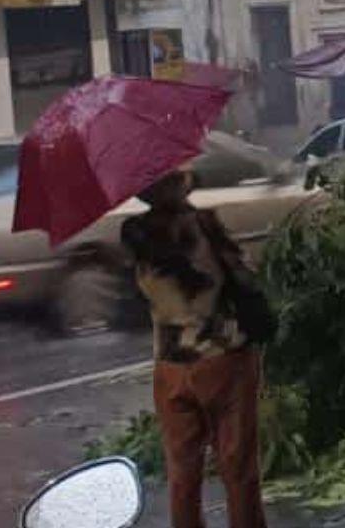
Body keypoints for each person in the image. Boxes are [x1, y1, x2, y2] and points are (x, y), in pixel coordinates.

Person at [122, 170, 274, 528]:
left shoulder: (136, 235)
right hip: (222, 358)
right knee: (238, 470)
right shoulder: (202, 226)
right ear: (177, 185)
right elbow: (242, 279)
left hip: (170, 367)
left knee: (182, 474)